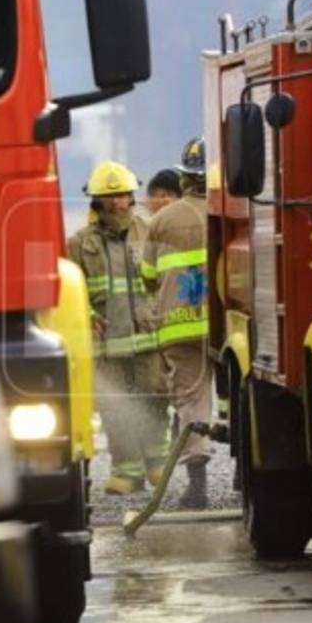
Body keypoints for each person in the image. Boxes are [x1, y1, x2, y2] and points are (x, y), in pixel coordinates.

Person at [67, 161, 169, 495]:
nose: (117, 203)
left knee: (154, 397)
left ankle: (157, 464)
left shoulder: (150, 231)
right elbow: (71, 288)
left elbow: (166, 278)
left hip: (148, 338)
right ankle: (127, 470)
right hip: (107, 345)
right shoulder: (79, 244)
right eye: (109, 197)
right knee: (116, 406)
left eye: (123, 195)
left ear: (132, 196)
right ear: (96, 201)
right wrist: (85, 314)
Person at [141, 138, 211, 509]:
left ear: (184, 178)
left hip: (180, 328)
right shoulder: (234, 209)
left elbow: (148, 275)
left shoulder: (162, 220)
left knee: (192, 401)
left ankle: (197, 485)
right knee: (239, 399)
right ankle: (241, 474)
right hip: (229, 325)